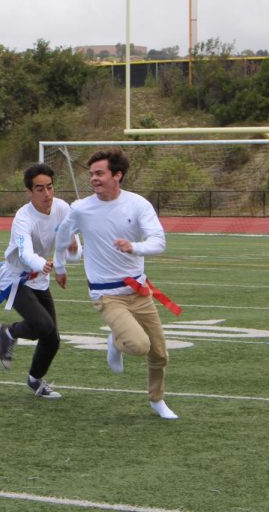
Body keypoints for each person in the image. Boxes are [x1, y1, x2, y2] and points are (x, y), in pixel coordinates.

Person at [54, 149, 179, 420]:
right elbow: (63, 235)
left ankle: (157, 400)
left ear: (117, 175)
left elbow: (159, 242)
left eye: (100, 173)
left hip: (138, 291)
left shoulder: (138, 204)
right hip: (106, 294)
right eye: (92, 175)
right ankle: (117, 340)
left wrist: (133, 247)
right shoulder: (81, 208)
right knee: (138, 345)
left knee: (160, 354)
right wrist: (61, 264)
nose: (94, 179)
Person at [0, 163, 77, 399]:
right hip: (15, 279)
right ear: (29, 192)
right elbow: (24, 253)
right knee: (42, 325)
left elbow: (71, 246)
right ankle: (9, 332)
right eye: (39, 189)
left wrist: (67, 257)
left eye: (50, 187)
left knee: (53, 340)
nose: (47, 194)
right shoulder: (23, 217)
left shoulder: (62, 208)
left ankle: (35, 380)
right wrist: (42, 264)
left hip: (39, 279)